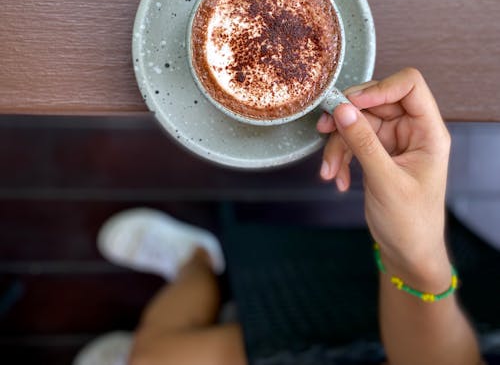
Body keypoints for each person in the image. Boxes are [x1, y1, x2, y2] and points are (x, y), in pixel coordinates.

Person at [75, 68, 489, 365]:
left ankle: (191, 279)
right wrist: (415, 256)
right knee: (152, 356)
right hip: (405, 331)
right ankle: (195, 265)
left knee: (152, 356)